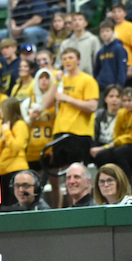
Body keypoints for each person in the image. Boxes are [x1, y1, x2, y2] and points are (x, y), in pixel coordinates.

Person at [47, 48, 99, 208]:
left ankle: (83, 207)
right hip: (60, 132)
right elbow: (47, 104)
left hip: (79, 133)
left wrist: (68, 99)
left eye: (70, 58)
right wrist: (55, 83)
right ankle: (65, 210)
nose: (67, 61)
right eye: (64, 59)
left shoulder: (87, 80)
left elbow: (92, 106)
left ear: (78, 60)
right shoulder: (60, 81)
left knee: (76, 176)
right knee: (63, 178)